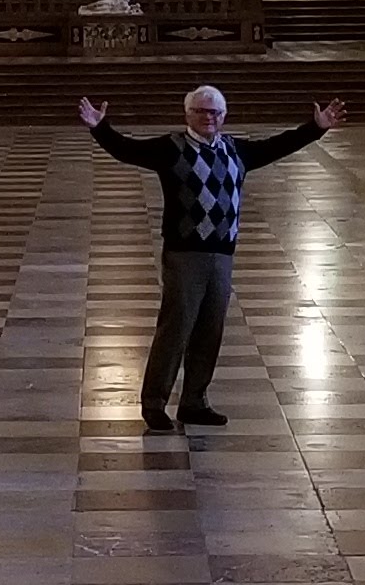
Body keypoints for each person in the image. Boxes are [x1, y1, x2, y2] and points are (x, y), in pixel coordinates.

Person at [81, 84, 345, 433]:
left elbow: (276, 146)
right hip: (184, 254)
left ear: (224, 115)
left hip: (222, 254)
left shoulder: (235, 150)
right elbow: (128, 150)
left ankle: (194, 401)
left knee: (210, 331)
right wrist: (101, 128)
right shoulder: (171, 148)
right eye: (201, 111)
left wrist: (316, 128)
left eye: (215, 112)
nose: (209, 118)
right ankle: (154, 403)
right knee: (175, 330)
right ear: (187, 114)